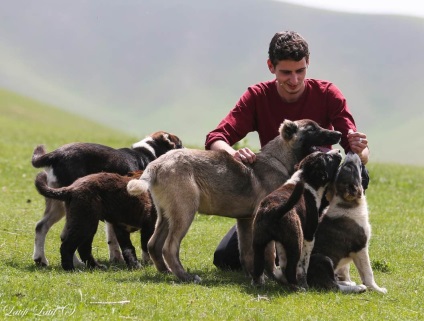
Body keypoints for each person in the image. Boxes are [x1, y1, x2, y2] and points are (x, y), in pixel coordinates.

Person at [205, 30, 370, 270]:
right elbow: (216, 138)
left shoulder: (327, 94)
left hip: (317, 196)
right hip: (275, 197)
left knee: (361, 175)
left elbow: (358, 157)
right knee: (226, 258)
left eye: (300, 71)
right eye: (286, 73)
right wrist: (233, 154)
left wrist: (361, 148)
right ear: (271, 66)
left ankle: (331, 236)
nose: (294, 80)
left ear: (308, 63)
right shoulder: (257, 96)